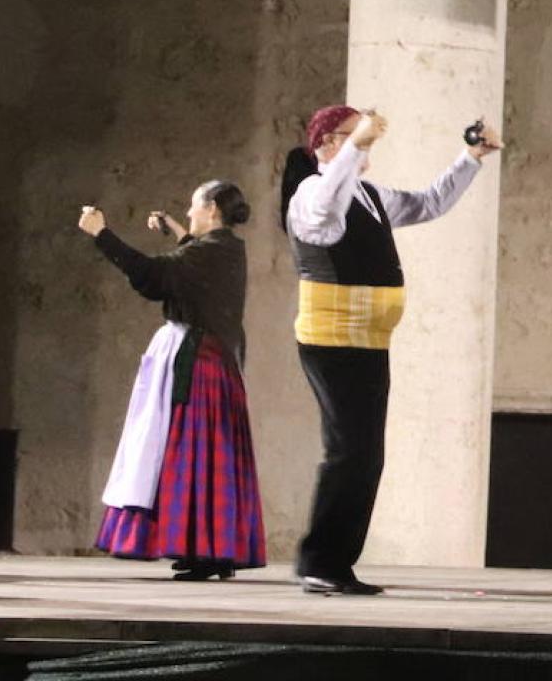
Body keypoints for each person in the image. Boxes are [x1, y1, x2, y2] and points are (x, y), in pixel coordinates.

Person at [281, 104, 500, 596]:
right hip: (332, 339)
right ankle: (320, 561)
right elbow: (324, 216)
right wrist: (356, 144)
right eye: (348, 134)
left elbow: (428, 203)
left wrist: (470, 158)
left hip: (368, 341)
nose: (363, 142)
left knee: (367, 455)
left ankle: (336, 561)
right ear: (325, 145)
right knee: (349, 452)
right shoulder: (312, 192)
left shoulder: (370, 194)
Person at [77, 180, 266, 581]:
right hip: (217, 362)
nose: (189, 213)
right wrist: (177, 233)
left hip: (198, 365)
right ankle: (213, 548)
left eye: (193, 207)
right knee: (210, 457)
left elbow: (154, 276)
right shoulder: (229, 249)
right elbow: (191, 265)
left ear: (212, 208)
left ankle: (204, 549)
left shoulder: (209, 254)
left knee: (190, 453)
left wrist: (102, 236)